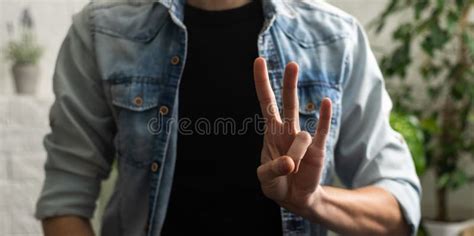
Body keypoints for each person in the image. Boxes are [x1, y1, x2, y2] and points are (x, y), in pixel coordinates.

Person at [35, 0, 421, 235]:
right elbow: (65, 198)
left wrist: (314, 202)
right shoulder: (102, 33)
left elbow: (399, 209)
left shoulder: (335, 39)